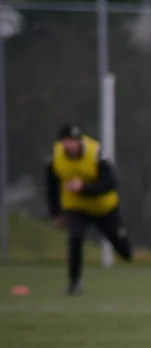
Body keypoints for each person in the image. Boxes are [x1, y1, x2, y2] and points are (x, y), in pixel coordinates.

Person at [45, 124, 133, 295]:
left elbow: (110, 183)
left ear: (80, 141)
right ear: (61, 142)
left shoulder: (95, 153)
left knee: (124, 251)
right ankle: (74, 283)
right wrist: (55, 212)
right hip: (76, 207)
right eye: (67, 141)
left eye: (74, 141)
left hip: (103, 207)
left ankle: (127, 255)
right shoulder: (56, 157)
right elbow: (51, 186)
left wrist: (84, 188)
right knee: (75, 238)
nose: (71, 145)